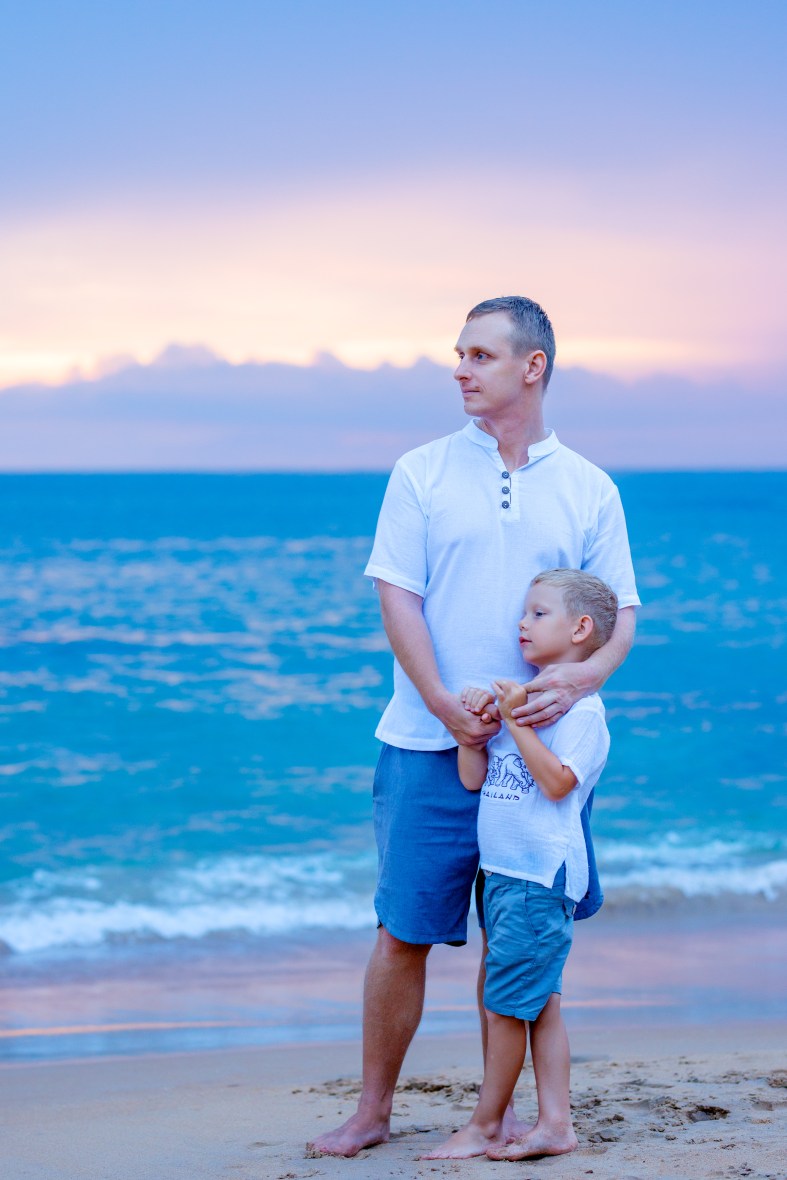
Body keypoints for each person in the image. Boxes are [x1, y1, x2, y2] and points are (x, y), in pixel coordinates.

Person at [307, 296, 640, 1158]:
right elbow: (397, 596)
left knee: (521, 943)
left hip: (536, 756)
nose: (460, 368)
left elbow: (620, 617)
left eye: (481, 354)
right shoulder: (420, 471)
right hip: (428, 743)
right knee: (401, 931)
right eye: (458, 353)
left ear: (531, 366)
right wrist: (442, 701)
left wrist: (575, 684)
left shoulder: (588, 486)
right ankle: (372, 1110)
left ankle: (512, 1119)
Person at [420, 568, 616, 1160]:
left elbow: (558, 784)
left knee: (504, 1006)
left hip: (539, 877)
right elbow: (474, 779)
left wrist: (512, 719)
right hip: (503, 876)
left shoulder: (582, 715)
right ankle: (556, 1122)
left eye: (537, 613)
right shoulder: (525, 700)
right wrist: (474, 733)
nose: (521, 625)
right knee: (539, 1003)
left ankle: (485, 1126)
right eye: (523, 614)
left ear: (581, 629)